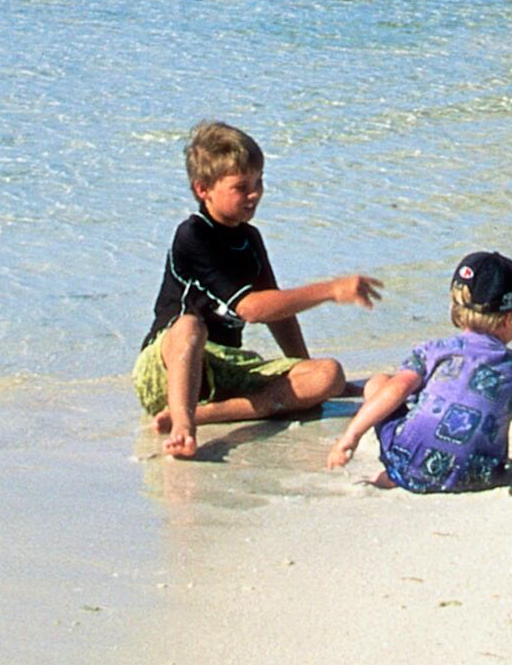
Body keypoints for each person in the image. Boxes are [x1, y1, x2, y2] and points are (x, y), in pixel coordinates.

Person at [137, 119, 382, 459]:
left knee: (329, 375)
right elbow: (252, 308)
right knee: (190, 326)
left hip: (224, 372)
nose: (254, 194)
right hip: (167, 368)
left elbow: (278, 315)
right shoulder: (193, 235)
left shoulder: (250, 239)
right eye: (241, 187)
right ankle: (183, 423)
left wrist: (303, 370)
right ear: (202, 189)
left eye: (259, 182)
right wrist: (330, 289)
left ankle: (212, 413)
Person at [326, 251, 512, 491]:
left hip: (408, 465)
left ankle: (390, 478)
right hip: (481, 475)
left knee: (380, 382)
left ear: (457, 309)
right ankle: (405, 473)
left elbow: (396, 390)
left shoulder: (434, 351)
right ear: (508, 320)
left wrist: (350, 437)